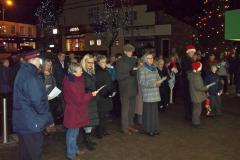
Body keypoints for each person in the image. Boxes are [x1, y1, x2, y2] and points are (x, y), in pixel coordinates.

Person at [12, 50, 54, 160]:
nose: (40, 63)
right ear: (34, 60)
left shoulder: (23, 72)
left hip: (24, 121)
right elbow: (37, 102)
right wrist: (48, 119)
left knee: (25, 153)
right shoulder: (31, 76)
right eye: (39, 60)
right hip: (32, 122)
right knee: (34, 154)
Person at [63, 62, 98, 160]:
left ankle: (74, 149)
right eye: (80, 71)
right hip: (74, 110)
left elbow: (80, 94)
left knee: (75, 132)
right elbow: (78, 99)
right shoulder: (71, 82)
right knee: (72, 133)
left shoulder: (75, 78)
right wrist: (91, 95)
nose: (82, 72)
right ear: (74, 72)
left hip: (77, 109)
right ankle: (71, 154)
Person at [116, 44, 139, 135]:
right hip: (125, 88)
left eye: (132, 51)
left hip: (133, 87)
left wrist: (136, 70)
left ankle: (130, 125)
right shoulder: (120, 62)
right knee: (125, 110)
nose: (131, 53)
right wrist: (130, 73)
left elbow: (136, 71)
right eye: (129, 51)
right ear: (125, 51)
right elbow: (118, 77)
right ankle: (124, 127)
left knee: (132, 109)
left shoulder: (134, 60)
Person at [139, 52, 161, 136]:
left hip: (155, 93)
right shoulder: (142, 69)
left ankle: (155, 128)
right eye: (149, 58)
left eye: (152, 58)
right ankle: (148, 130)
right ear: (145, 59)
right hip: (148, 94)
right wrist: (154, 83)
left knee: (154, 113)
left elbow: (158, 77)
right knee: (148, 113)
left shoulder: (154, 68)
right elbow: (142, 82)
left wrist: (159, 82)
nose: (151, 59)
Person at [80, 54, 99, 150]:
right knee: (88, 121)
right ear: (84, 62)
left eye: (92, 62)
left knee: (90, 121)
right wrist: (90, 91)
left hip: (92, 98)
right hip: (87, 99)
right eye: (89, 62)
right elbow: (81, 87)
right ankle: (87, 140)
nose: (91, 64)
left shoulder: (91, 72)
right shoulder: (82, 73)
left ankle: (87, 139)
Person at [95, 55, 115, 138]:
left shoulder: (106, 70)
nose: (104, 63)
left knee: (106, 115)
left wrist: (113, 90)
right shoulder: (97, 71)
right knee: (101, 115)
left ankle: (104, 130)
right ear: (98, 62)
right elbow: (99, 85)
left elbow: (110, 81)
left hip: (107, 95)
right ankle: (99, 132)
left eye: (105, 62)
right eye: (102, 62)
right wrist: (107, 93)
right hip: (102, 96)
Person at [188, 61, 208, 127]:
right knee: (198, 110)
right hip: (197, 96)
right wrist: (206, 87)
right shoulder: (197, 76)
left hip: (194, 95)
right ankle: (196, 122)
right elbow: (199, 87)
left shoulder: (192, 74)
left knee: (195, 109)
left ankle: (194, 121)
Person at [41, 59, 60, 124]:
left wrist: (56, 92)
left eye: (50, 65)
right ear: (44, 65)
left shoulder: (51, 74)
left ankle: (51, 125)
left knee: (52, 112)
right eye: (47, 65)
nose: (48, 66)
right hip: (44, 97)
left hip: (52, 96)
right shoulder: (40, 74)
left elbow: (54, 84)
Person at [181, 45, 196, 121]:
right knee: (188, 98)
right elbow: (186, 69)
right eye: (192, 52)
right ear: (188, 52)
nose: (193, 53)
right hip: (187, 81)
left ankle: (190, 113)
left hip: (190, 81)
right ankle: (188, 115)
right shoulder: (185, 59)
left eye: (193, 52)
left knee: (190, 98)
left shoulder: (191, 59)